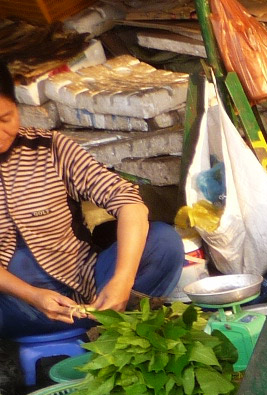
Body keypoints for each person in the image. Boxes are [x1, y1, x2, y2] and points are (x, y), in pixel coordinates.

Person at [0, 63, 184, 340]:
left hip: (87, 283)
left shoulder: (50, 147)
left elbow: (127, 202)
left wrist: (122, 280)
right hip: (19, 305)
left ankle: (105, 313)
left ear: (16, 106)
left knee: (164, 241)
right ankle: (108, 325)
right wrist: (35, 296)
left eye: (5, 119)